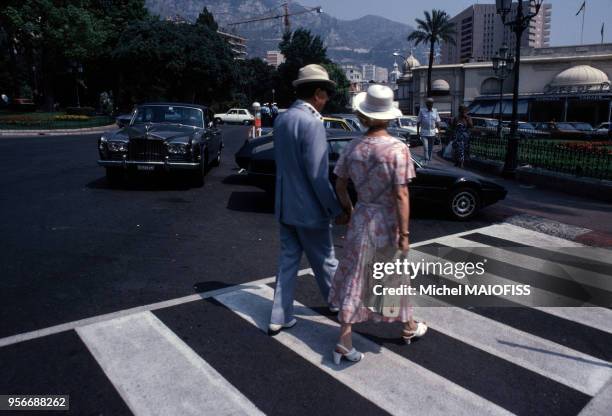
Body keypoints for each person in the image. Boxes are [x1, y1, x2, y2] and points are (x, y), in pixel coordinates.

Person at [329, 84, 427, 365]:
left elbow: (340, 184)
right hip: (385, 221)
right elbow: (401, 194)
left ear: (363, 115)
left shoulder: (352, 147)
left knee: (356, 276)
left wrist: (349, 209)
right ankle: (405, 327)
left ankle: (348, 337)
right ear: (389, 116)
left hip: (362, 217)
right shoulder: (398, 149)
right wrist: (405, 233)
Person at [269, 64, 346, 335]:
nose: (326, 100)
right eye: (326, 94)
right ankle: (338, 303)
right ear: (317, 93)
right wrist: (334, 207)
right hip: (310, 209)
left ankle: (278, 316)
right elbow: (317, 173)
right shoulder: (312, 122)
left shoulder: (282, 119)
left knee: (288, 261)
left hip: (284, 204)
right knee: (325, 258)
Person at [417, 97, 441, 163]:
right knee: (426, 147)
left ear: (432, 104)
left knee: (431, 148)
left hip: (432, 133)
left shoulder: (435, 111)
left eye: (431, 103)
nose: (430, 105)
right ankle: (426, 159)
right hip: (424, 132)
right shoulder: (422, 111)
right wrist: (417, 132)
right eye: (428, 103)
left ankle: (429, 160)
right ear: (426, 104)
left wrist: (439, 132)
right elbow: (418, 122)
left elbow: (438, 122)